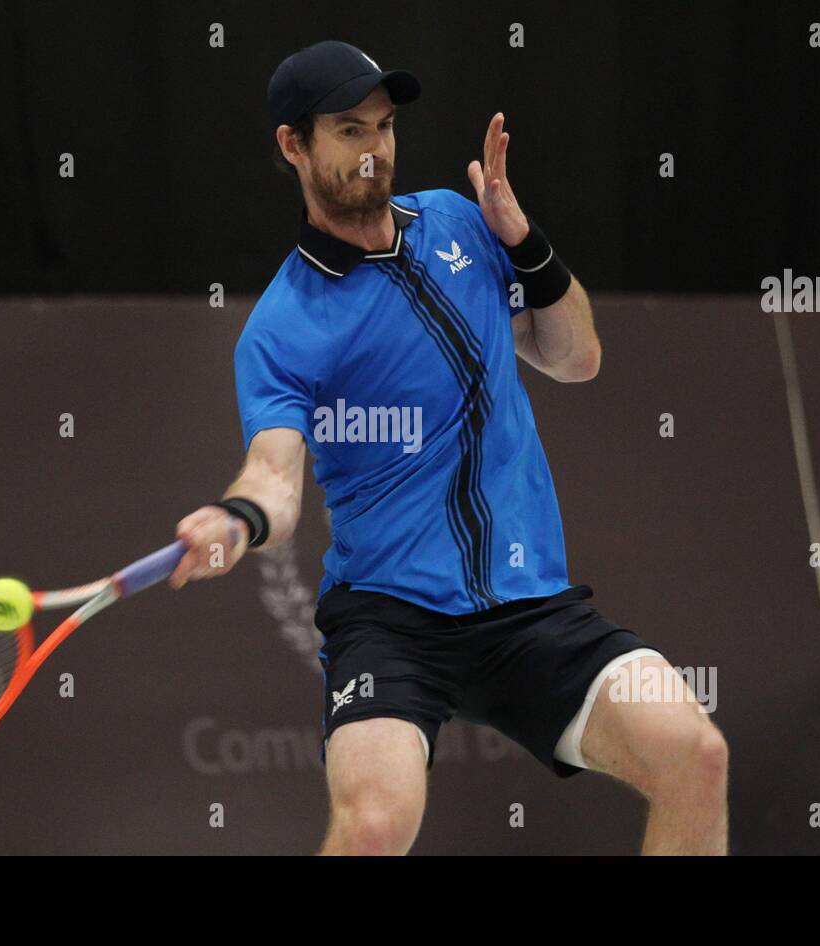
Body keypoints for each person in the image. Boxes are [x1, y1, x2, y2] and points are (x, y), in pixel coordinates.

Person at [169, 40, 728, 855]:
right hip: (392, 620)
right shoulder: (281, 327)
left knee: (694, 755)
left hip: (530, 605)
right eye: (350, 131)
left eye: (385, 128)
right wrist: (236, 517)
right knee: (373, 826)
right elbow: (275, 476)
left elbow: (576, 359)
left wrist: (524, 240)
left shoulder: (460, 224)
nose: (376, 151)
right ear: (293, 145)